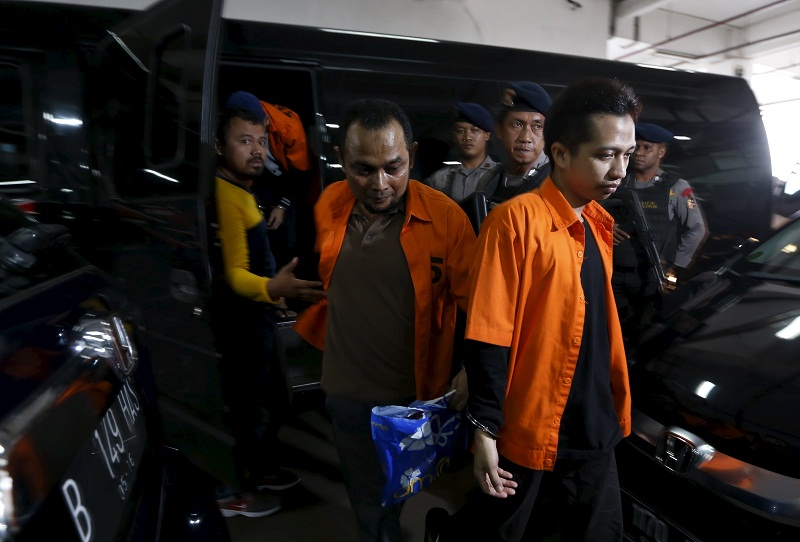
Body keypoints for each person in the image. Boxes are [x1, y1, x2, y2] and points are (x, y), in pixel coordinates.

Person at [429, 77, 638, 542]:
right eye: (606, 154)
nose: (620, 168)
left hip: (593, 422)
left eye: (626, 153)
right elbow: (489, 331)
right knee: (501, 528)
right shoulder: (515, 222)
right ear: (561, 154)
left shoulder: (599, 223)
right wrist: (485, 431)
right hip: (531, 423)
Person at [293, 98, 476, 542]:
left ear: (411, 154)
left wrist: (472, 369)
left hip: (413, 401)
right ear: (341, 160)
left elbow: (481, 306)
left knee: (409, 490)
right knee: (370, 502)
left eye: (394, 167)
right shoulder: (329, 204)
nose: (379, 183)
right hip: (345, 393)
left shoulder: (446, 220)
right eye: (363, 168)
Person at [210, 96, 326, 518]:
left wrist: (271, 295)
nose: (257, 150)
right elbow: (237, 272)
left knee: (272, 399)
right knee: (248, 408)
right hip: (240, 324)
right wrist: (272, 286)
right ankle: (237, 490)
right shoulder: (226, 194)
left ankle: (259, 469)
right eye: (245, 141)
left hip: (257, 316)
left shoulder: (244, 191)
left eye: (261, 141)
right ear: (221, 147)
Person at [606, 121, 707, 337]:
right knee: (608, 331)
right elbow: (589, 211)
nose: (639, 153)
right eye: (636, 147)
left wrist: (675, 267)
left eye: (647, 148)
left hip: (650, 277)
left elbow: (697, 229)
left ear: (661, 152)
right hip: (613, 274)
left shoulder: (675, 187)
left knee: (644, 331)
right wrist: (606, 227)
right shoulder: (616, 180)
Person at [474, 81, 552, 209]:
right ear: (499, 130)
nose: (526, 138)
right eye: (517, 124)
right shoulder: (489, 181)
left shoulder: (559, 182)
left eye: (537, 126)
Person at [423, 101, 497, 201]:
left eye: (474, 130)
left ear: (487, 135)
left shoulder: (499, 174)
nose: (467, 137)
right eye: (460, 131)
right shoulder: (440, 180)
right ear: (454, 137)